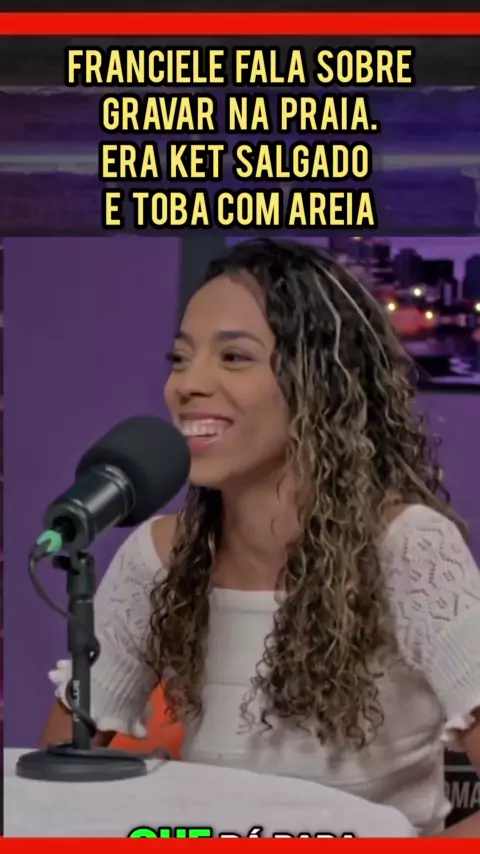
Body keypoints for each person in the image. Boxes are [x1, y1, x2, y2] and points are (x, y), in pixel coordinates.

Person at [42, 238, 480, 837]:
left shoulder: (409, 549)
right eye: (180, 358)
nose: (187, 385)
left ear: (319, 383)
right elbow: (57, 784)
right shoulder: (158, 557)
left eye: (234, 357)